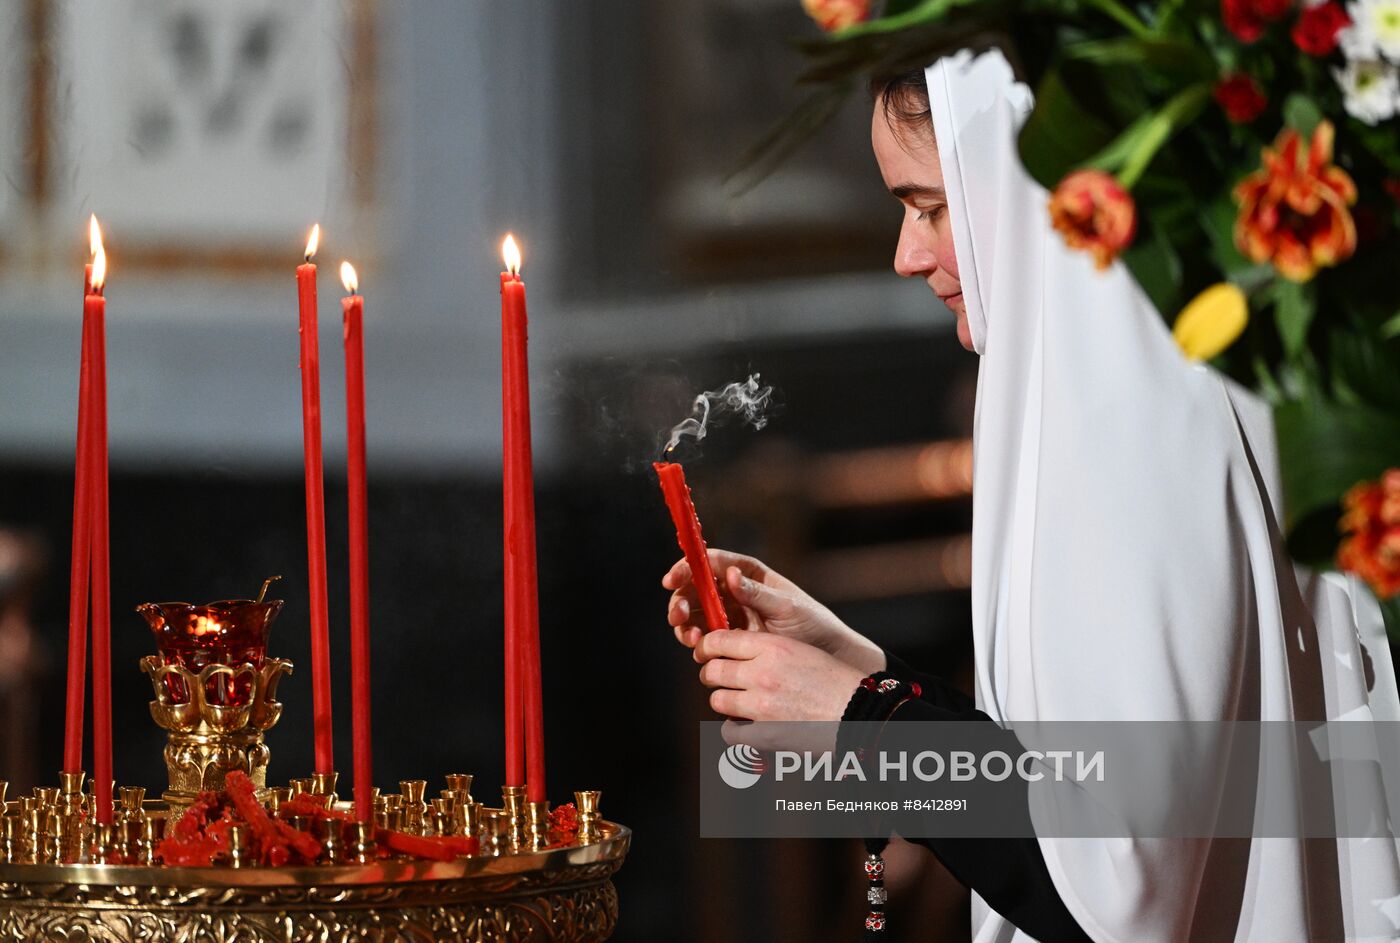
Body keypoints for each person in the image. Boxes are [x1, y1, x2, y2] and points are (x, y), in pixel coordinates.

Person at [663, 49, 1400, 942]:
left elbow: (1110, 882)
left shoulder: (1118, 415)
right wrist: (868, 676)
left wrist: (856, 721)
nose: (907, 253)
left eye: (931, 207)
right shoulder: (1166, 364)